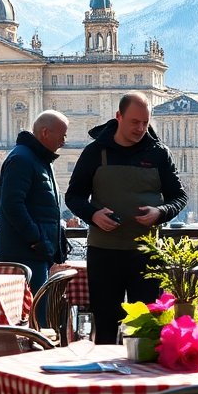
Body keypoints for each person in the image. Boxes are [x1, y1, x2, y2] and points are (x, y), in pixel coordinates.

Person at [64, 92, 187, 342]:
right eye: (135, 122)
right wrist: (93, 215)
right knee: (106, 325)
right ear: (118, 117)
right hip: (104, 252)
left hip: (147, 253)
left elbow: (179, 197)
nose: (141, 128)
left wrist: (161, 212)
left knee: (148, 327)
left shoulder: (158, 153)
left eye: (145, 122)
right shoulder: (95, 152)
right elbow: (73, 196)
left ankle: (146, 379)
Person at [0, 110, 69, 293]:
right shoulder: (22, 159)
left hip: (34, 252)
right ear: (45, 132)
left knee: (37, 312)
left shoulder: (37, 158)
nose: (64, 141)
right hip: (25, 253)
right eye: (62, 135)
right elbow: (12, 204)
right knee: (33, 314)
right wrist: (36, 238)